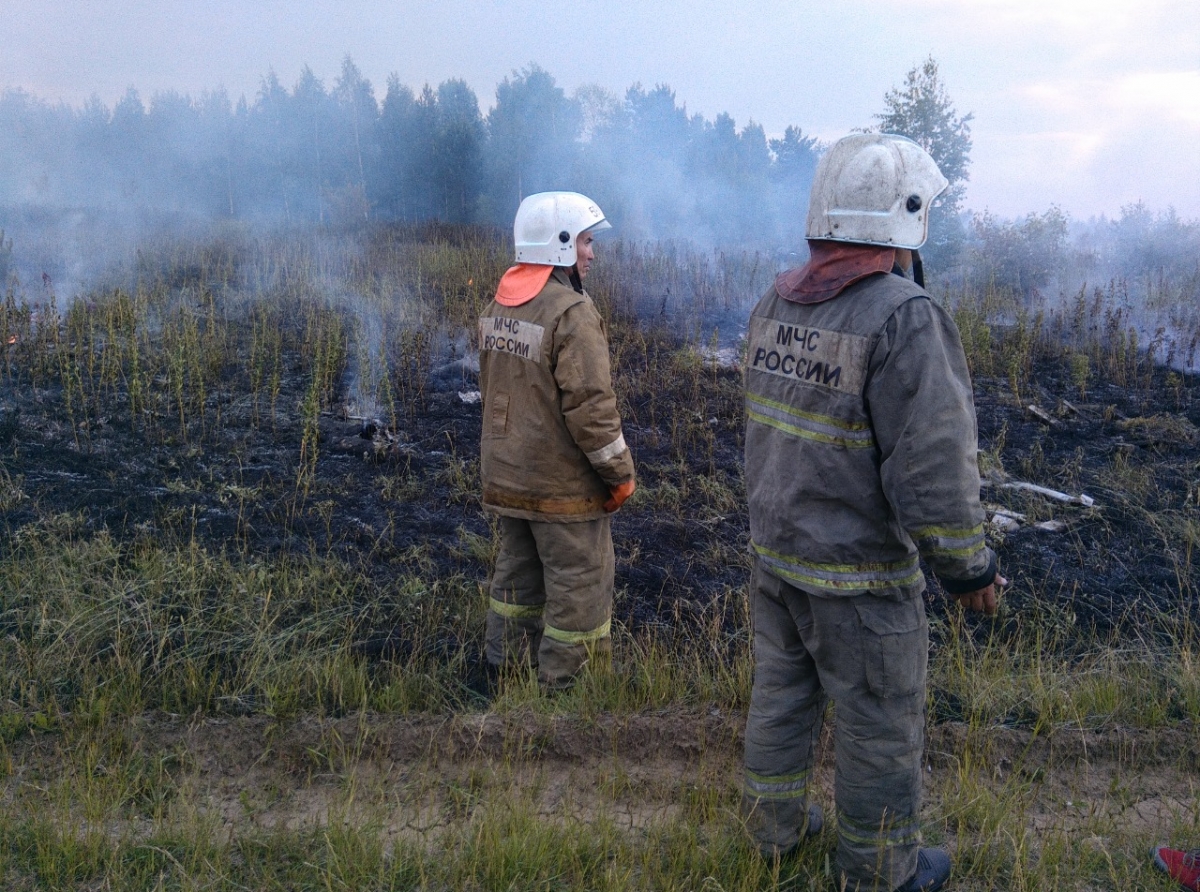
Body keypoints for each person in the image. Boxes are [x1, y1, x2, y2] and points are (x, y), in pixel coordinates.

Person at [740, 133, 1006, 891]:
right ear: (907, 218)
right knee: (879, 724)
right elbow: (934, 469)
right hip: (857, 579)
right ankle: (879, 869)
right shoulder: (904, 317)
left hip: (776, 559)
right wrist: (969, 568)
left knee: (782, 698)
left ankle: (771, 831)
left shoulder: (775, 300)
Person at [479, 191, 635, 691]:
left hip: (508, 478)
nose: (592, 253)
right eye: (587, 241)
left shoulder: (498, 306)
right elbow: (592, 411)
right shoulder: (572, 314)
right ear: (561, 245)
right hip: (562, 488)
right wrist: (619, 476)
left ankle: (507, 674)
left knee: (516, 583)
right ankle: (572, 693)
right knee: (579, 585)